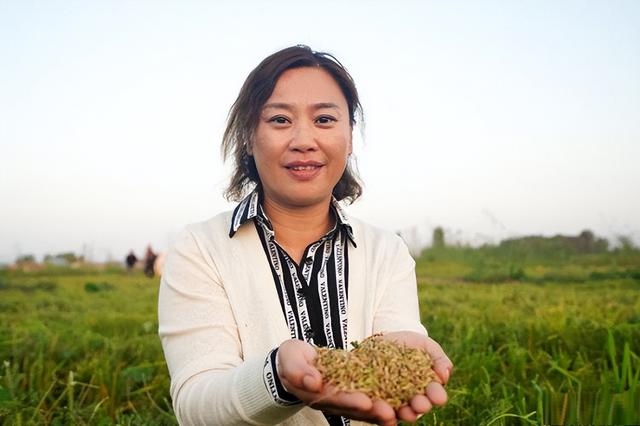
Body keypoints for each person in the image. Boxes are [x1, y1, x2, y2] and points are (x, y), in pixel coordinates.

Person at [158, 45, 453, 426]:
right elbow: (197, 403)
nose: (303, 140)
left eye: (325, 120)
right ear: (249, 136)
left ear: (349, 138)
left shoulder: (387, 252)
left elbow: (395, 340)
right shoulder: (200, 249)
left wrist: (396, 358)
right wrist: (279, 376)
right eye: (280, 120)